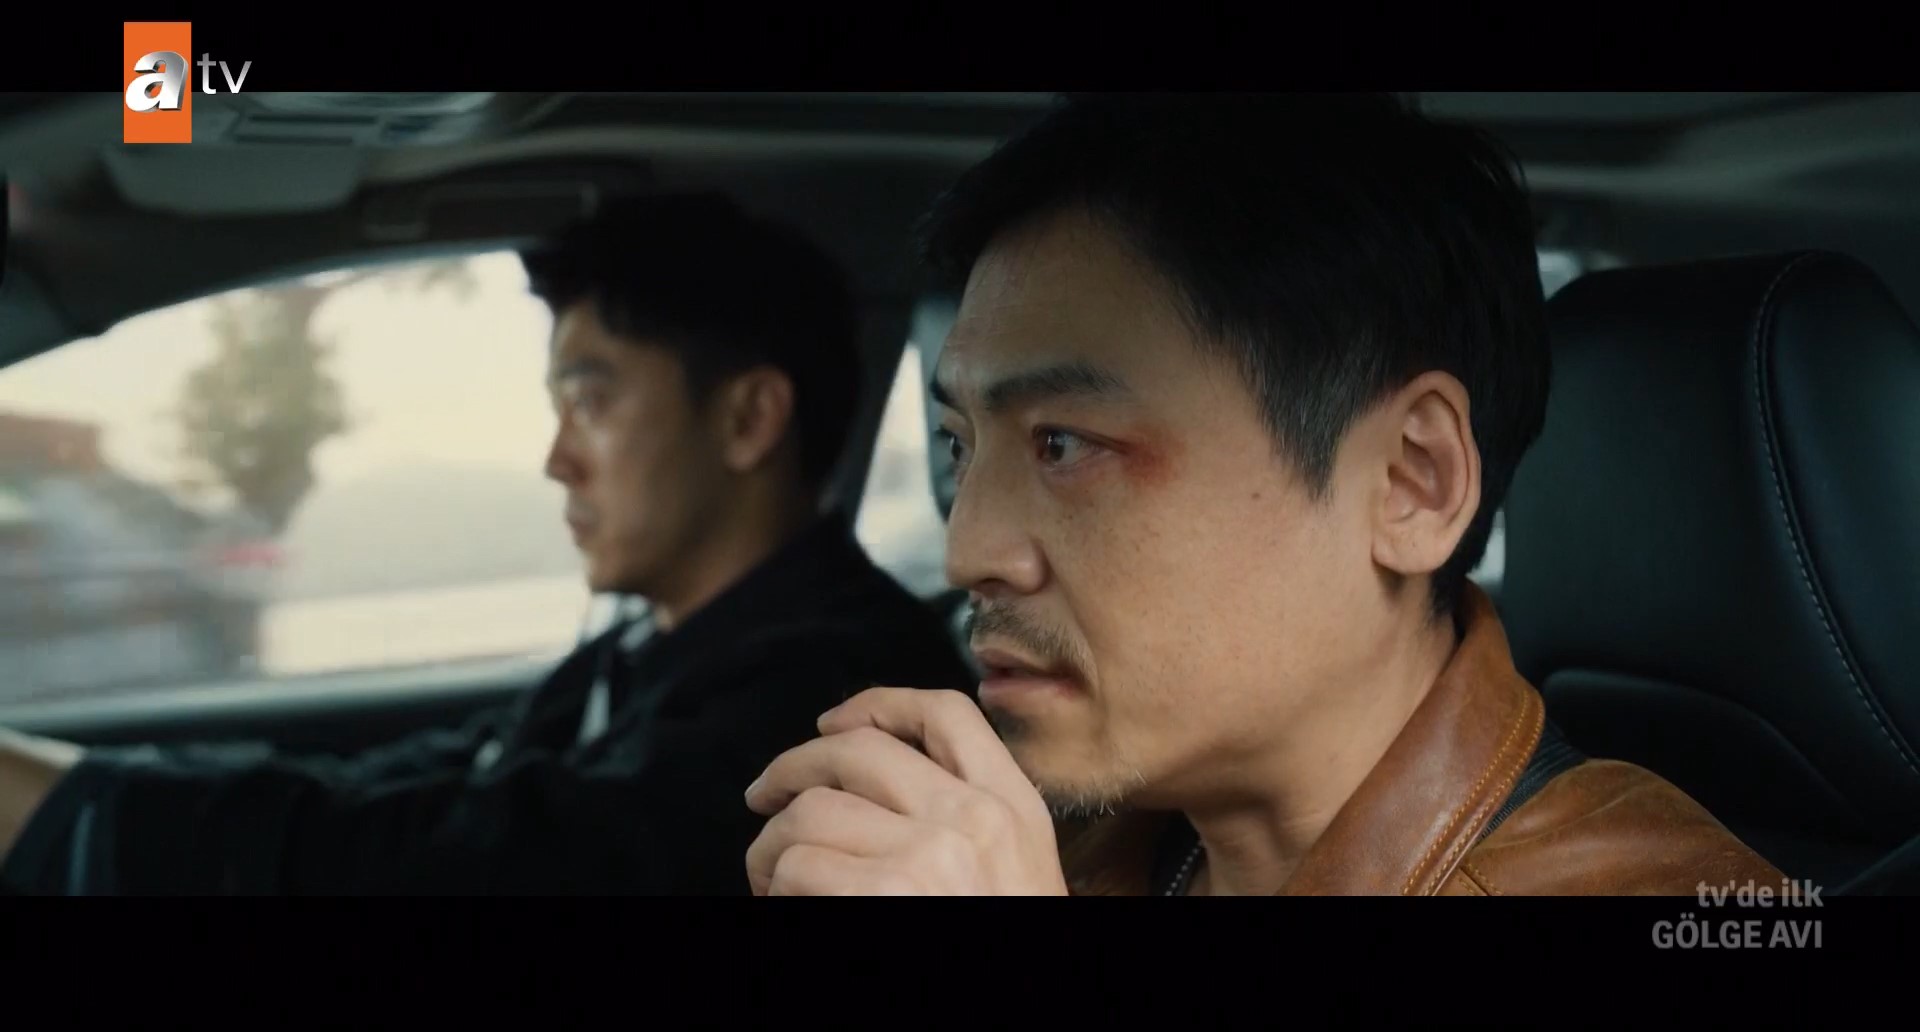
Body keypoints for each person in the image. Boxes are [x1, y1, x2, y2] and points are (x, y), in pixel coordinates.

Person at [741, 93, 1788, 897]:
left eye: (1065, 444)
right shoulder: (1033, 839)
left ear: (1412, 482)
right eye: (959, 445)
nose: (969, 549)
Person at [0, 193, 976, 895]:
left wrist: (77, 808)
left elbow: (479, 862)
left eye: (591, 402)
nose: (557, 460)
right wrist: (87, 790)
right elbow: (435, 783)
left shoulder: (833, 699)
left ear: (748, 419)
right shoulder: (649, 653)